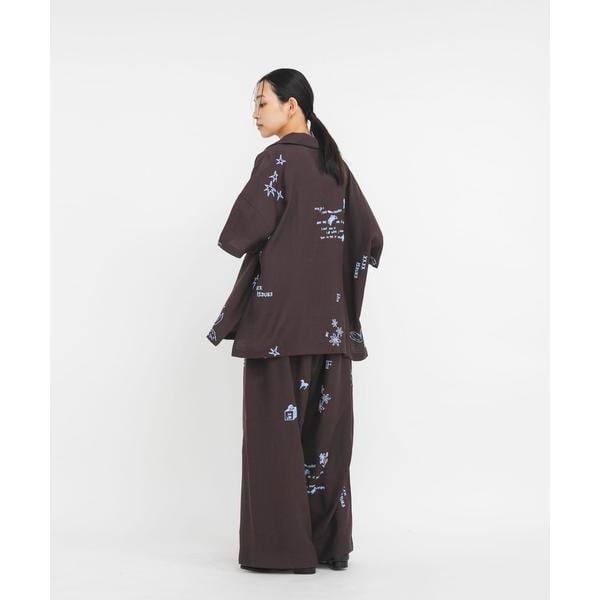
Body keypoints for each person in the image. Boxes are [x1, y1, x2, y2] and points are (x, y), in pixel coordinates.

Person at [207, 68, 383, 575]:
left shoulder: (277, 160)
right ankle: (330, 547)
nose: (254, 113)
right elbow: (370, 238)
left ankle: (282, 552)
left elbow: (238, 234)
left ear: (292, 106)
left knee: (274, 444)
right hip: (330, 332)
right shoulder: (336, 166)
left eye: (261, 102)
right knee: (325, 446)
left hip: (276, 331)